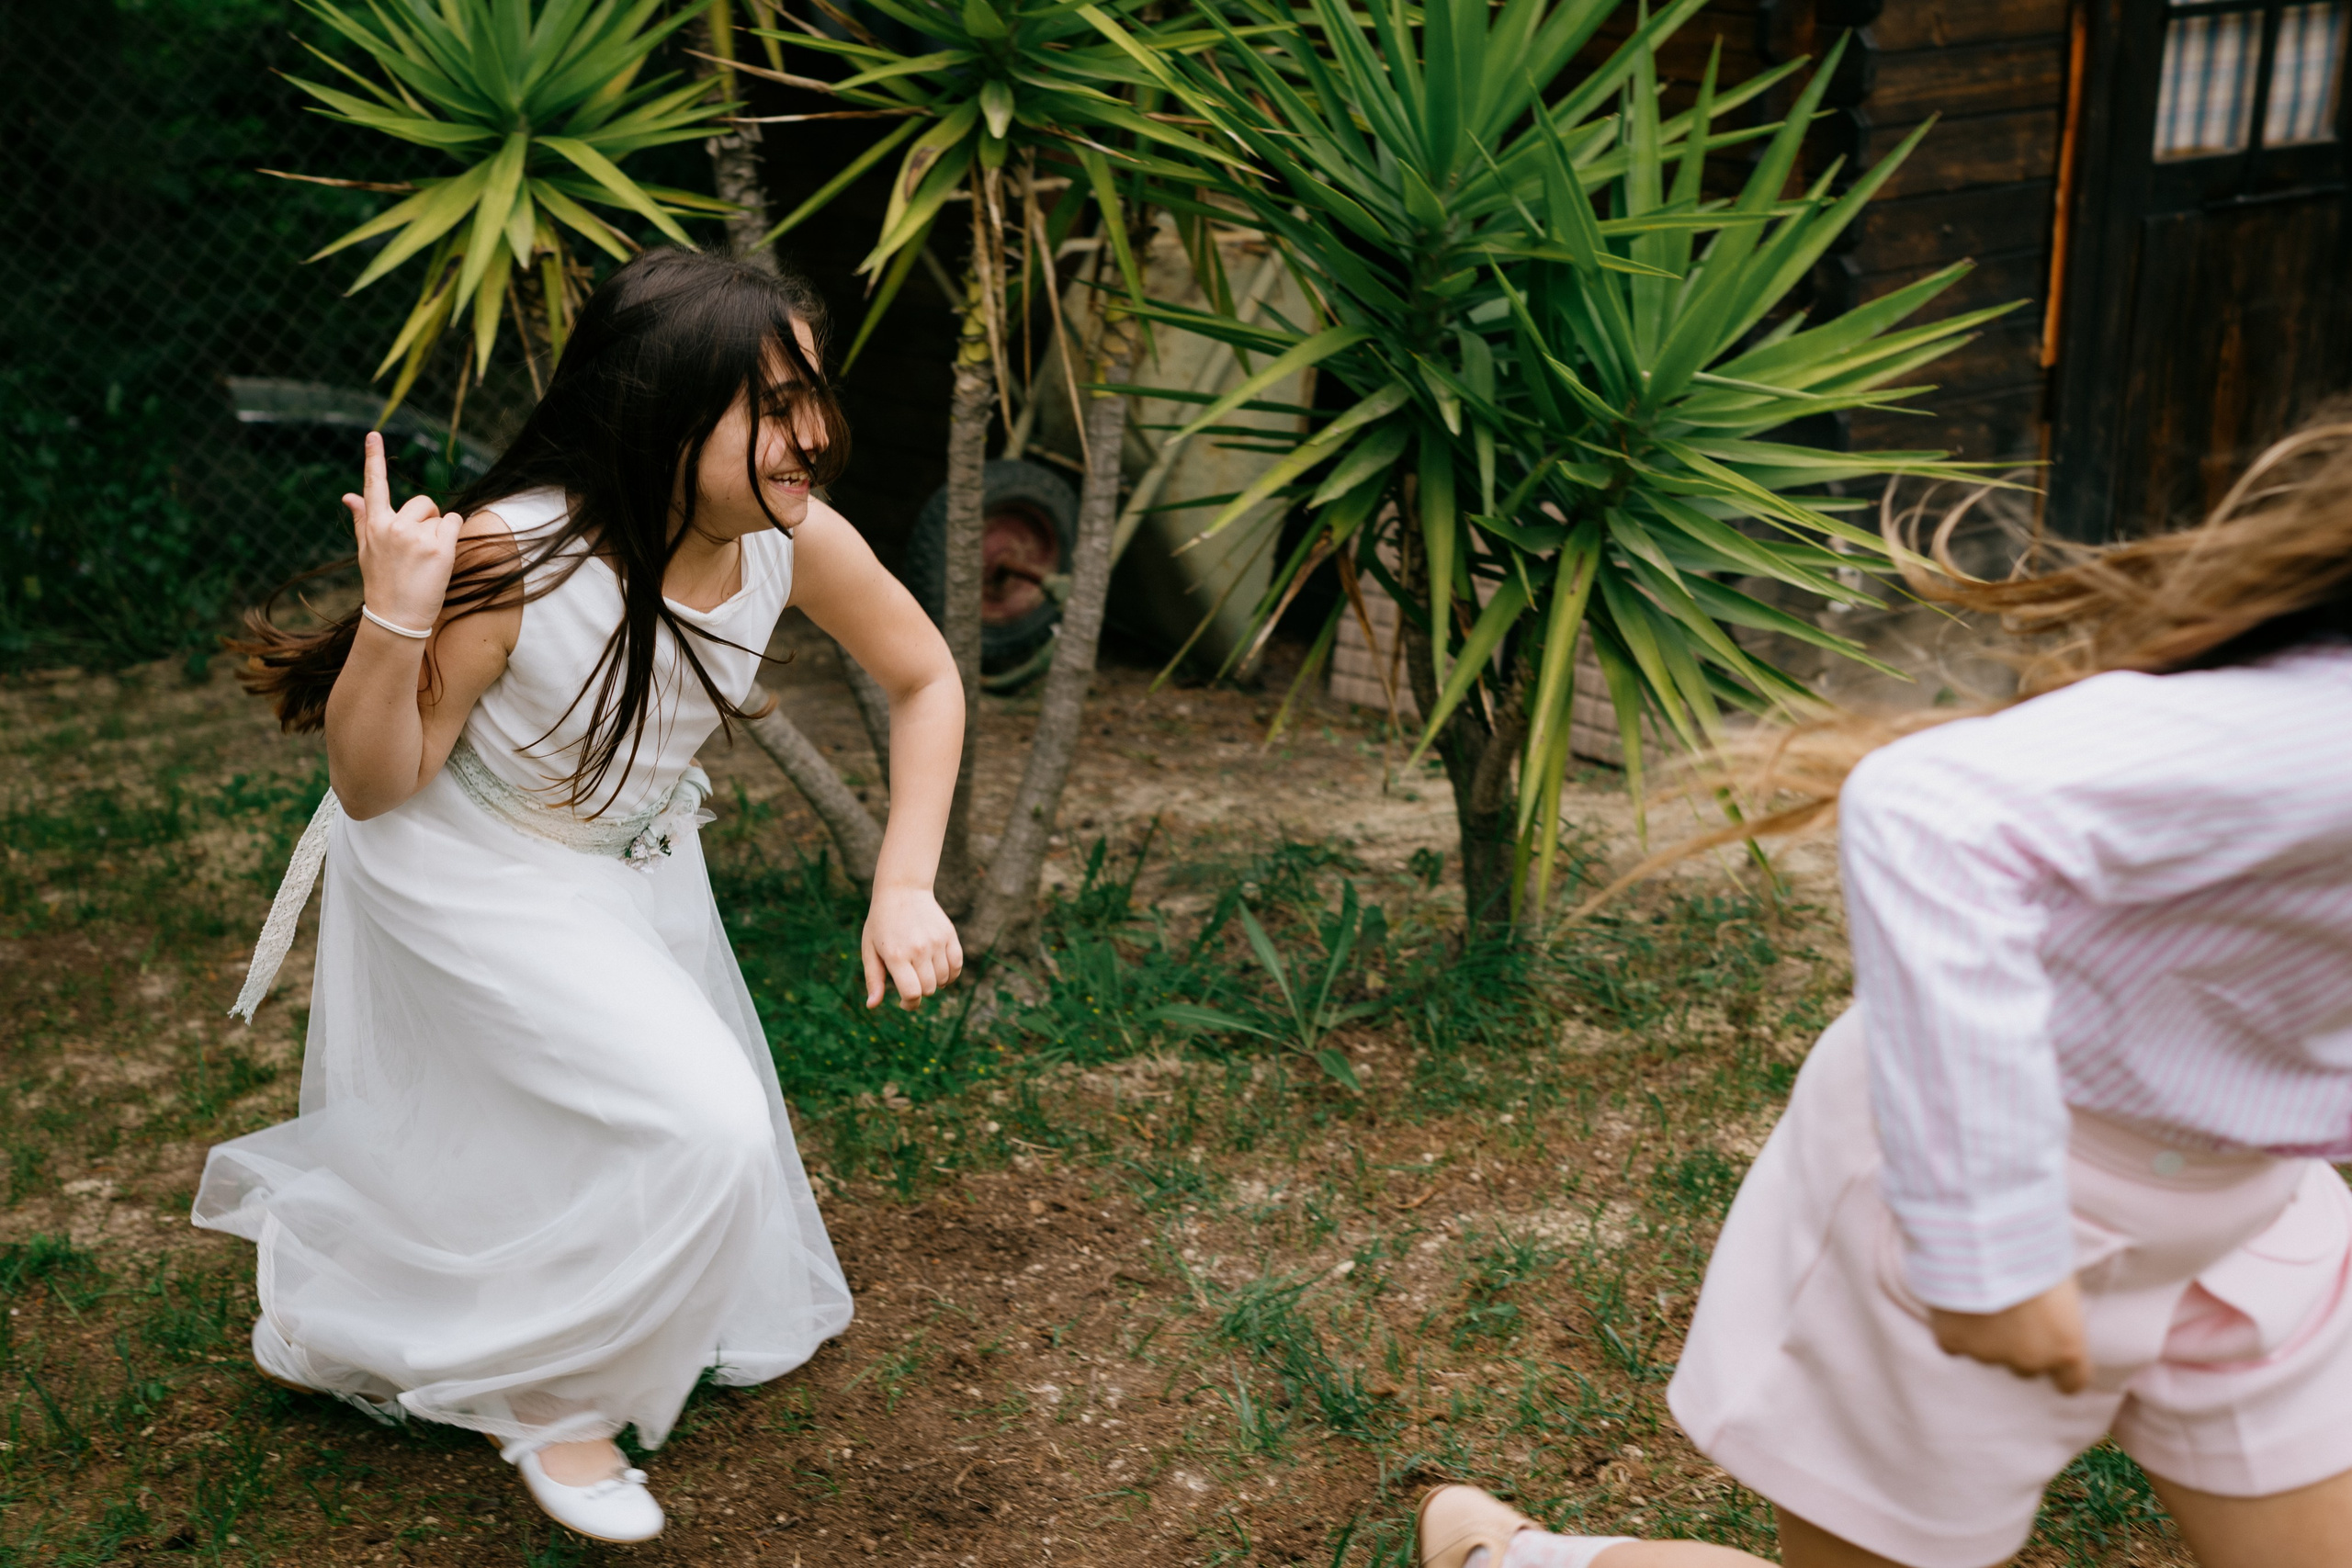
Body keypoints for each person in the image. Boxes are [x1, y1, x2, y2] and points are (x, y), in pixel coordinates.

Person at [1419, 417, 2352, 1568]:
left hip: (2253, 1210)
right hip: (2005, 1172)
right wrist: (1987, 1241)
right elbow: (1931, 809)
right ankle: (1512, 1560)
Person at [204, 248, 964, 1543]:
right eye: (772, 405)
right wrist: (395, 616)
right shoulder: (522, 560)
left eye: (813, 392)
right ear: (658, 411)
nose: (815, 432)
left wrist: (903, 881)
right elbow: (377, 786)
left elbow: (926, 674)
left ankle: (372, 1312)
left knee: (574, 1118)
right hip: (465, 862)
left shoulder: (790, 541)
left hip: (632, 854)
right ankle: (558, 1398)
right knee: (703, 1122)